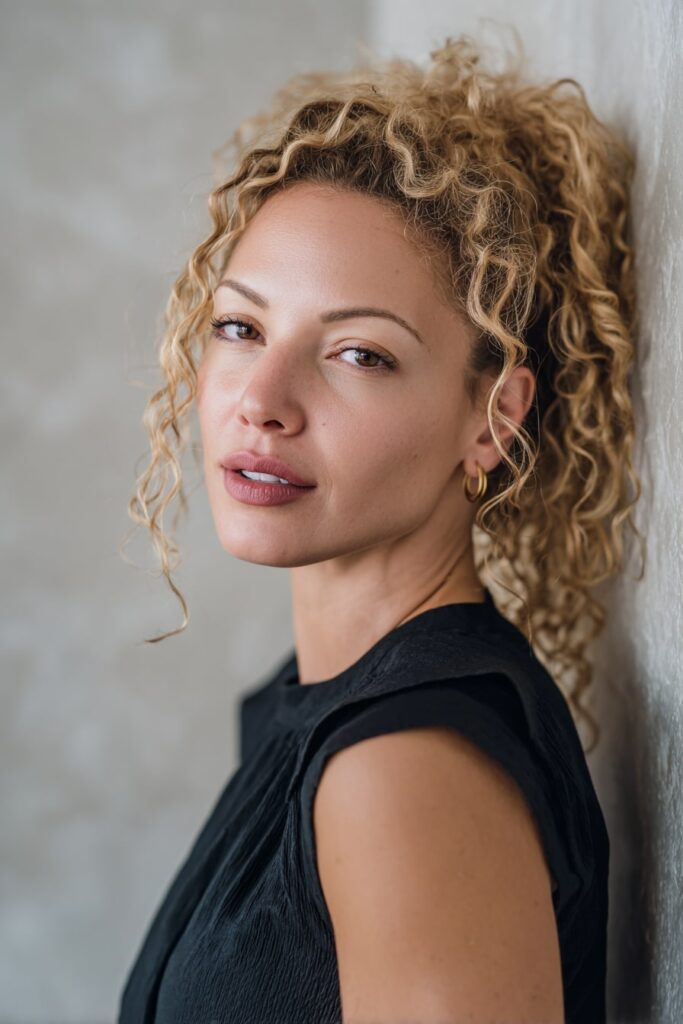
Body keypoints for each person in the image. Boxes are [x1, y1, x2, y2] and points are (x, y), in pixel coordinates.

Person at [118, 30, 643, 1024]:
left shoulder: (402, 773)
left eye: (358, 353)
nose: (262, 400)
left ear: (491, 417)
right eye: (241, 327)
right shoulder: (316, 709)